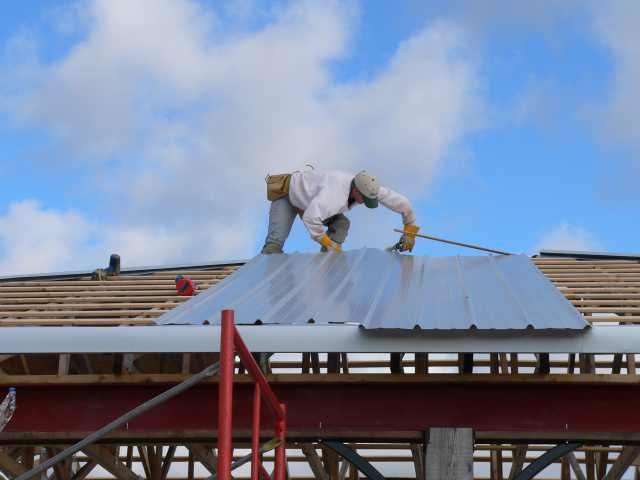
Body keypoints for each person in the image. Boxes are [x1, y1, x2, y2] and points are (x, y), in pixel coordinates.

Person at [261, 169, 420, 254]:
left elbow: (401, 202)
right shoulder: (334, 195)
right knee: (273, 246)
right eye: (363, 199)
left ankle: (327, 263)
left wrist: (410, 227)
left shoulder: (368, 188)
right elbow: (311, 218)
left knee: (342, 224)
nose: (364, 203)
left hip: (311, 200)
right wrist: (327, 242)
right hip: (288, 195)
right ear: (356, 191)